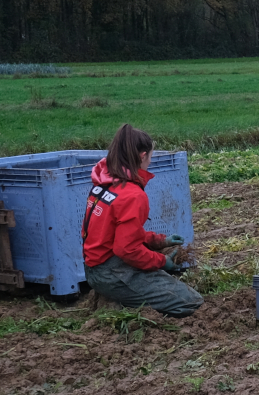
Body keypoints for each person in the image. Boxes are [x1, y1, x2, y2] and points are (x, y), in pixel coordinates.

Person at [82, 123, 203, 317]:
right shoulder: (133, 195)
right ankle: (120, 306)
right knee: (191, 302)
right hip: (112, 272)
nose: (150, 162)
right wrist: (161, 261)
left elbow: (118, 233)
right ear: (142, 156)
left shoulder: (105, 182)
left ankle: (116, 297)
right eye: (150, 157)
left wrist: (159, 241)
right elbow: (126, 249)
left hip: (94, 267)